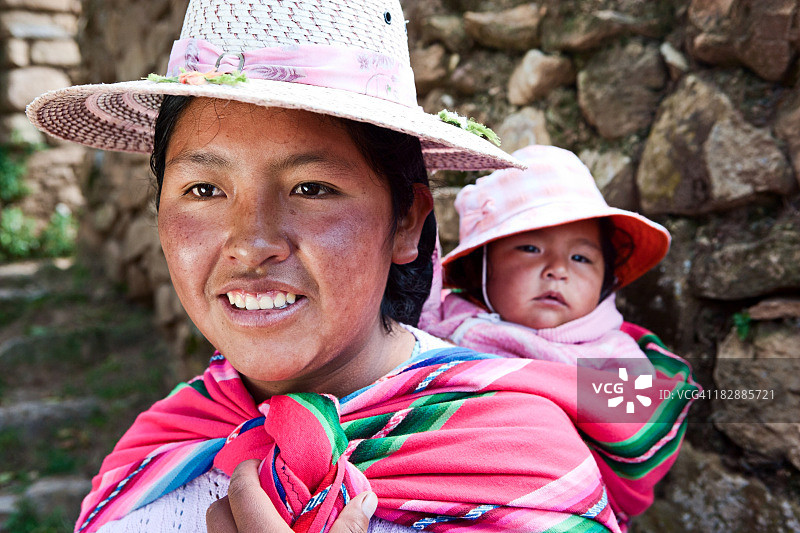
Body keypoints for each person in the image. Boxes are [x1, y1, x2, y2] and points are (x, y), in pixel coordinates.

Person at [27, 2, 698, 532]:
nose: (250, 241)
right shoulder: (162, 444)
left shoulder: (514, 463)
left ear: (406, 221)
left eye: (312, 188)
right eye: (204, 191)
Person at [424, 145, 671, 373]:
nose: (558, 270)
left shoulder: (615, 360)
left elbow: (633, 413)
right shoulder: (441, 323)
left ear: (606, 278)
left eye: (580, 258)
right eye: (531, 248)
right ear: (480, 265)